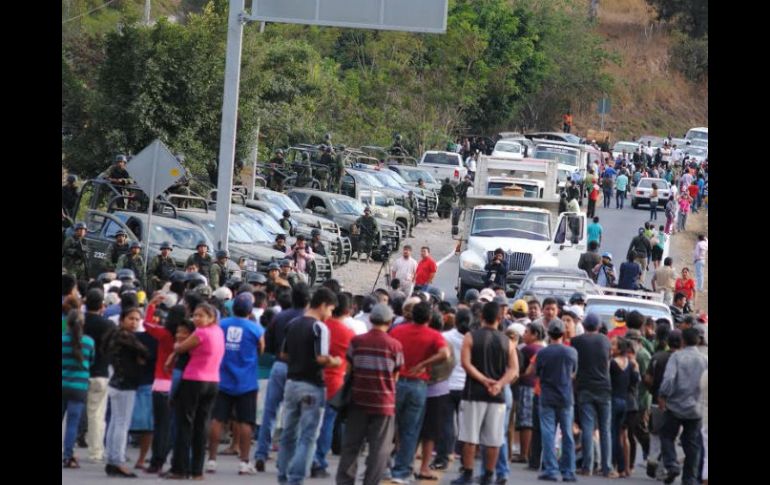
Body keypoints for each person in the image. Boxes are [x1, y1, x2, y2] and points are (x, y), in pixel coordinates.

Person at [276, 288, 341, 485]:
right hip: (312, 385)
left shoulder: (293, 323)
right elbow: (321, 357)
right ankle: (296, 478)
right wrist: (335, 361)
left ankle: (283, 475)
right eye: (330, 309)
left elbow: (284, 354)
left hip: (292, 384)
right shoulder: (319, 328)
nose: (330, 314)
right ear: (322, 305)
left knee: (289, 433)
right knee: (308, 436)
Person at [451, 302, 519, 485]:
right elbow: (514, 369)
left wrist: (483, 380)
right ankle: (489, 475)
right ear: (500, 318)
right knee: (494, 438)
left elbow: (466, 364)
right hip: (497, 396)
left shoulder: (471, 337)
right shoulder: (508, 342)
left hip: (474, 392)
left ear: (481, 317)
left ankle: (468, 474)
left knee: (469, 437)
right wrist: (499, 384)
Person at [336, 304, 404, 485]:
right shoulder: (394, 346)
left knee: (351, 445)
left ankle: (345, 481)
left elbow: (349, 369)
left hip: (358, 399)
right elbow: (396, 376)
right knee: (379, 449)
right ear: (389, 322)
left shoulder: (357, 342)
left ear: (371, 320)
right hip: (384, 403)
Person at [388, 302, 450, 484]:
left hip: (397, 382)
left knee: (390, 426)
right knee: (410, 429)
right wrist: (424, 364)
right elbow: (445, 354)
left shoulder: (398, 331)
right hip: (418, 384)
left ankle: (385, 466)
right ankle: (402, 471)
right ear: (429, 318)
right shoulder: (433, 335)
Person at [206, 293, 265, 475]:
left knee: (217, 420)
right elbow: (261, 349)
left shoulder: (221, 325)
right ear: (249, 310)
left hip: (222, 379)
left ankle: (211, 460)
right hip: (246, 382)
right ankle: (244, 462)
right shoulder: (255, 329)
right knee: (246, 422)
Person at [253, 284, 311, 470]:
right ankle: (286, 457)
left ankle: (262, 452)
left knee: (270, 410)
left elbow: (268, 345)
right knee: (295, 414)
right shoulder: (310, 320)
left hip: (279, 366)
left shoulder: (279, 317)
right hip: (300, 369)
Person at [166, 303, 225, 479]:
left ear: (211, 318)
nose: (197, 319)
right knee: (201, 426)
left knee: (185, 425)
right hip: (213, 381)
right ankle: (197, 470)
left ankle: (179, 468)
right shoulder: (218, 332)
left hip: (193, 380)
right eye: (195, 315)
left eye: (201, 315)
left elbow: (180, 348)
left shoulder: (200, 333)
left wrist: (174, 351)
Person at [311, 294, 355, 478]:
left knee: (309, 424)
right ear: (346, 310)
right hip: (335, 382)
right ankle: (319, 460)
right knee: (327, 424)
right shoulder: (348, 333)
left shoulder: (317, 326)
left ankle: (305, 458)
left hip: (312, 379)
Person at [103, 307, 149, 478]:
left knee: (116, 421)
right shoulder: (125, 337)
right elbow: (144, 352)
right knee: (122, 423)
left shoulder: (115, 335)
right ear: (122, 320)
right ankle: (118, 460)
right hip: (124, 384)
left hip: (116, 382)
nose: (134, 322)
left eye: (137, 319)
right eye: (131, 318)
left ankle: (112, 458)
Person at [658, 328, 708, 485]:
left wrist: (663, 395)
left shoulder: (677, 357)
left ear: (682, 341)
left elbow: (669, 379)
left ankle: (672, 464)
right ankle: (690, 479)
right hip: (696, 408)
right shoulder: (704, 359)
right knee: (692, 444)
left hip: (675, 406)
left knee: (666, 436)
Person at [535, 319, 578, 482]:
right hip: (566, 396)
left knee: (548, 433)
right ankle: (569, 470)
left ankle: (550, 469)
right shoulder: (571, 352)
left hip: (547, 395)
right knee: (567, 434)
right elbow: (574, 373)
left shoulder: (543, 353)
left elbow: (538, 373)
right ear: (563, 333)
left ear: (549, 333)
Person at [571, 313, 612, 477]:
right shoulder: (606, 341)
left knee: (587, 427)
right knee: (605, 429)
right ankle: (606, 467)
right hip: (603, 387)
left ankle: (587, 466)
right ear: (598, 326)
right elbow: (607, 361)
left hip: (584, 387)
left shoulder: (577, 341)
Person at [62, 310, 96, 469]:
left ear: (67, 324)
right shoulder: (89, 342)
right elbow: (92, 361)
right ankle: (68, 456)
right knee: (72, 424)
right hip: (80, 386)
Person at [608, 337, 640, 478]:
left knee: (614, 435)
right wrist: (636, 369)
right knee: (622, 434)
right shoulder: (629, 363)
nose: (611, 347)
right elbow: (634, 381)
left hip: (614, 401)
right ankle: (624, 467)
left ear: (620, 349)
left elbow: (607, 381)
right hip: (625, 402)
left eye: (614, 345)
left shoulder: (612, 363)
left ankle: (619, 467)